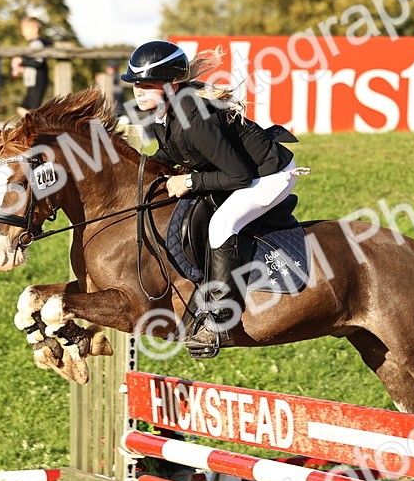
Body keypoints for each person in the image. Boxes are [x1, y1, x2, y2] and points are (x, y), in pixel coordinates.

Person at [121, 40, 303, 358]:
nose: (138, 91)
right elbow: (172, 152)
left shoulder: (194, 120)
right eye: (136, 84)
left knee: (221, 224)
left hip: (268, 176)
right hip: (240, 172)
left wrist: (189, 181)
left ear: (171, 84)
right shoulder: (166, 112)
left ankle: (218, 320)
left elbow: (239, 177)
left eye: (147, 85)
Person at [11, 16, 49, 114]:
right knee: (24, 109)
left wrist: (22, 61)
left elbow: (38, 62)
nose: (23, 33)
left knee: (32, 110)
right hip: (33, 82)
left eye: (25, 30)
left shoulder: (37, 44)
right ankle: (33, 126)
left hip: (37, 82)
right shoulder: (34, 44)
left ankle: (36, 127)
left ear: (35, 29)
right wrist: (22, 69)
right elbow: (33, 65)